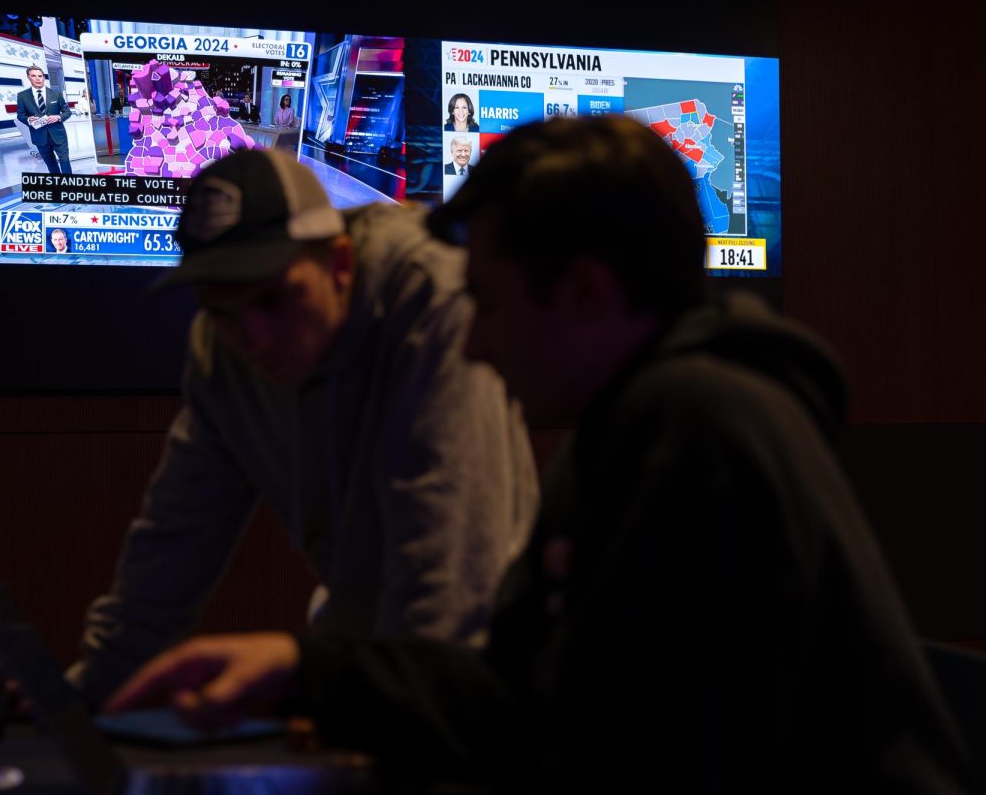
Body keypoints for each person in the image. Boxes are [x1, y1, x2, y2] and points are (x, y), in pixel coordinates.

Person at [105, 117, 973, 793]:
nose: (474, 345)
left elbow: (632, 766)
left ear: (587, 294)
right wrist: (305, 669)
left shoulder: (698, 428)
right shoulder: (626, 431)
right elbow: (532, 703)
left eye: (485, 303)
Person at [65, 148, 539, 711]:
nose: (255, 338)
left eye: (276, 299)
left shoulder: (428, 298)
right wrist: (85, 692)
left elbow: (448, 584)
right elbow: (174, 535)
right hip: (366, 658)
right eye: (222, 309)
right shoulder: (224, 349)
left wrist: (381, 711)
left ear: (339, 264)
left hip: (490, 677)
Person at [14, 65, 72, 175]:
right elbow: (20, 115)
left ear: (43, 78)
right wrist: (28, 120)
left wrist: (58, 117)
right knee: (50, 163)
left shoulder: (56, 94)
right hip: (39, 136)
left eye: (40, 76)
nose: (37, 78)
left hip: (58, 135)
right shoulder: (22, 96)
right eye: (34, 76)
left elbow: (67, 112)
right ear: (29, 78)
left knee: (65, 161)